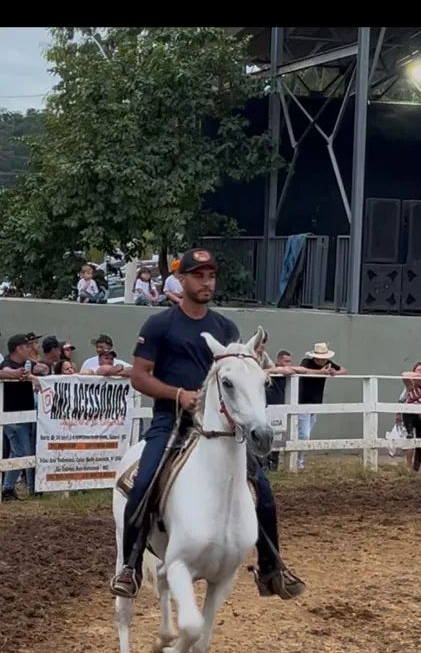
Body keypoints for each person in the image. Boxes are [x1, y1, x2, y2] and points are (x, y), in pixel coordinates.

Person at [109, 248, 305, 602]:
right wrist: (178, 394)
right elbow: (139, 376)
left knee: (262, 491)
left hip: (219, 426)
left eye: (211, 276)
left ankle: (272, 568)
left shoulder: (225, 327)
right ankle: (131, 565)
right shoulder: (159, 325)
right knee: (144, 481)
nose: (206, 282)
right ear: (181, 280)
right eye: (198, 276)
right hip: (171, 421)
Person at [297, 342, 348, 471]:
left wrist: (333, 372)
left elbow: (344, 370)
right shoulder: (306, 362)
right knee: (304, 434)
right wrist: (320, 372)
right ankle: (299, 461)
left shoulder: (328, 363)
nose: (323, 360)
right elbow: (303, 371)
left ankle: (299, 459)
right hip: (302, 401)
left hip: (316, 402)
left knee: (305, 433)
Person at [0, 334, 37, 500]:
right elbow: (5, 371)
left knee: (19, 451)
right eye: (27, 346)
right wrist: (15, 374)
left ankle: (8, 488)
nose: (30, 349)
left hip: (23, 414)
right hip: (13, 415)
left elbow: (42, 368)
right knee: (23, 451)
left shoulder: (26, 364)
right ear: (18, 348)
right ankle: (26, 488)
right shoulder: (8, 363)